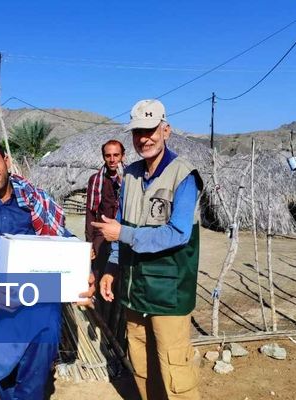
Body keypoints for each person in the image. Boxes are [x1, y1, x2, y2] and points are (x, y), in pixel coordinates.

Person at [0, 135, 95, 399]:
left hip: (39, 306)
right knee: (4, 381)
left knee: (34, 382)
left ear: (5, 160)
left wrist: (83, 267)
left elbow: (60, 236)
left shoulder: (35, 199)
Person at [92, 99, 203, 400]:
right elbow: (122, 223)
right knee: (141, 362)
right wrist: (113, 266)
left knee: (173, 366)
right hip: (134, 287)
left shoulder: (183, 175)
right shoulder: (130, 175)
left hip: (168, 291)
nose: (145, 138)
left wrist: (123, 234)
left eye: (151, 130)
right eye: (138, 132)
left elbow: (177, 233)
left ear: (166, 130)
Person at [85, 139, 127, 347]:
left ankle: (120, 336)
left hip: (124, 237)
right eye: (108, 155)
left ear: (122, 156)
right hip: (102, 239)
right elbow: (90, 213)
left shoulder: (129, 179)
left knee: (120, 285)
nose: (112, 159)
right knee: (102, 281)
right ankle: (105, 334)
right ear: (104, 157)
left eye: (116, 155)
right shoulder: (96, 180)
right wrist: (91, 243)